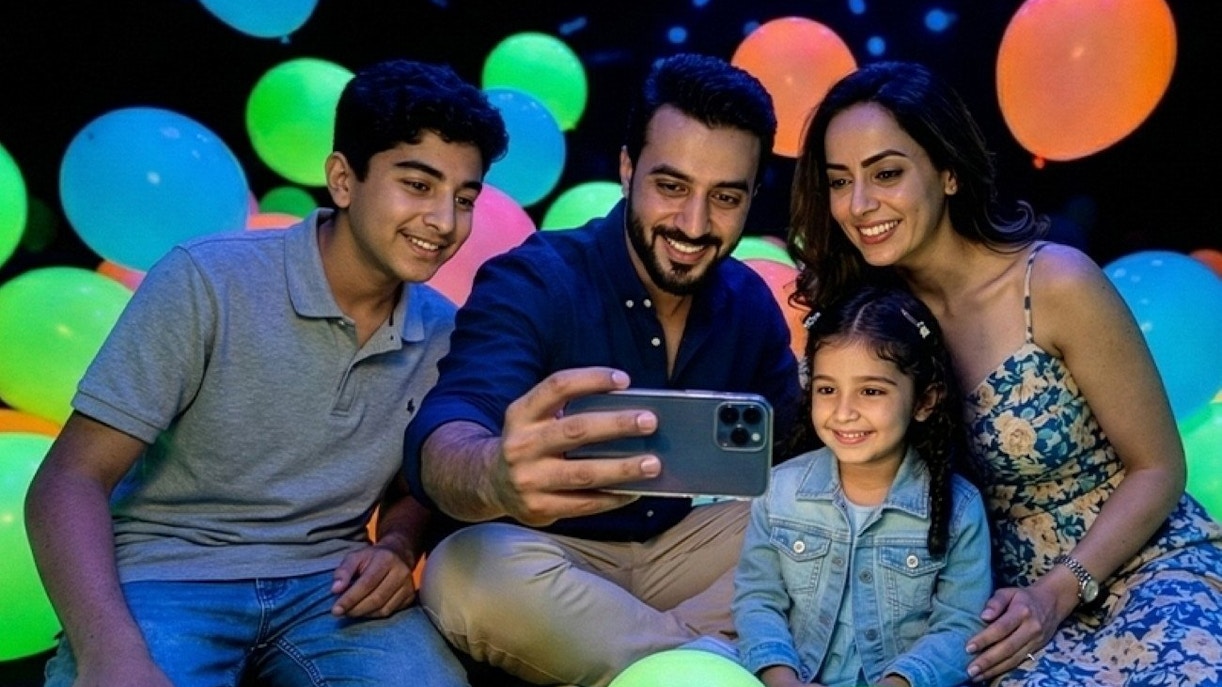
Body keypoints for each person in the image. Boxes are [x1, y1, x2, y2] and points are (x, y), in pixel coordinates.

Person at [24, 58, 508, 687]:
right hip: (166, 572)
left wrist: (396, 546)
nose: (444, 222)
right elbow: (68, 481)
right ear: (342, 179)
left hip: (328, 586)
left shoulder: (444, 329)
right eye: (418, 185)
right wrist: (108, 651)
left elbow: (414, 483)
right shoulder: (207, 279)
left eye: (463, 198)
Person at [787, 60, 1222, 686]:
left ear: (949, 172)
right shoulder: (862, 327)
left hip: (1141, 566)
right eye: (838, 181)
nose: (858, 205)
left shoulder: (1053, 284)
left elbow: (1159, 468)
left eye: (886, 173)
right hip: (996, 613)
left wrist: (1057, 591)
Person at [402, 53, 802, 687]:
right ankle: (717, 663)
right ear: (626, 169)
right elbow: (449, 427)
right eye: (671, 187)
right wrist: (494, 476)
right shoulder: (536, 276)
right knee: (463, 571)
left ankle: (670, 664)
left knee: (826, 521)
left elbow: (796, 457)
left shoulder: (748, 302)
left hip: (685, 554)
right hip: (551, 554)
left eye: (725, 197)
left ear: (753, 197)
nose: (694, 225)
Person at [731, 285, 992, 687]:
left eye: (871, 391)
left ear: (924, 401)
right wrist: (781, 679)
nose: (844, 412)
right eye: (827, 390)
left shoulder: (958, 508)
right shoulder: (779, 491)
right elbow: (758, 599)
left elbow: (960, 625)